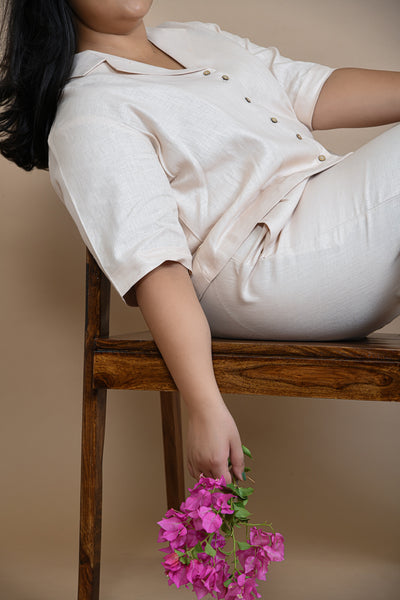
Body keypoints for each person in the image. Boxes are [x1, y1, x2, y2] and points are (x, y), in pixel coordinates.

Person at [1, 0, 399, 485]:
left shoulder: (192, 37)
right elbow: (156, 264)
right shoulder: (89, 110)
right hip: (261, 265)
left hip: (326, 208)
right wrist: (205, 406)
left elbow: (310, 91)